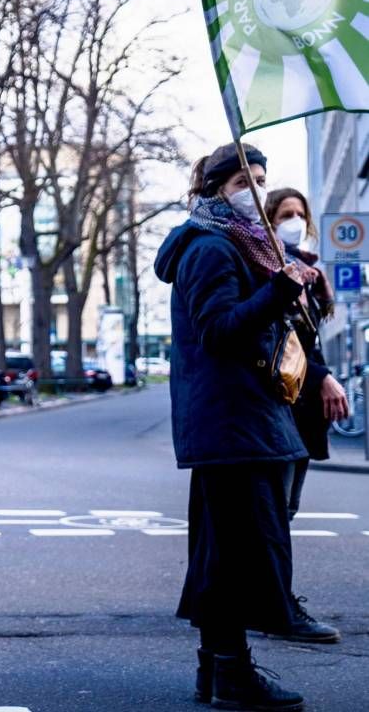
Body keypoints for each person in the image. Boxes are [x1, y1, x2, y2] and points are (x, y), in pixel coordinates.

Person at [155, 142, 311, 711]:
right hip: (231, 422)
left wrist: (284, 291)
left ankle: (219, 671)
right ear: (219, 186)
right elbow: (218, 330)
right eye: (248, 180)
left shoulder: (238, 243)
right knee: (239, 554)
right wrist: (276, 293)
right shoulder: (211, 248)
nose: (260, 191)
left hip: (238, 422)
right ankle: (232, 674)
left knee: (225, 555)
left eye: (264, 178)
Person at [265, 186, 345, 644]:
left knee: (285, 510)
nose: (294, 220)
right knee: (275, 512)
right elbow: (282, 343)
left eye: (300, 213)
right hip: (282, 406)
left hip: (301, 406)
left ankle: (274, 600)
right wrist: (324, 378)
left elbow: (306, 344)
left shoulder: (310, 273)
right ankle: (277, 605)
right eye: (285, 214)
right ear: (270, 219)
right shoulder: (274, 268)